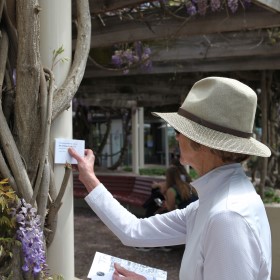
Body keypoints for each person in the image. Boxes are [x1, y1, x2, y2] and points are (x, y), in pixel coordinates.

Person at [69, 76, 272, 280]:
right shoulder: (218, 201)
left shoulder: (227, 217)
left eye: (179, 130)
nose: (176, 137)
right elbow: (134, 230)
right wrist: (88, 178)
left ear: (201, 142)